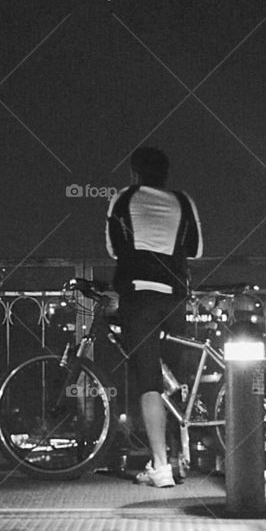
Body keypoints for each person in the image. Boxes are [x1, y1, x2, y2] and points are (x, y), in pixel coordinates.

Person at [106, 147, 203, 488]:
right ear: (165, 174)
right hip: (174, 297)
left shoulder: (124, 198)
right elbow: (195, 248)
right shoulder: (182, 200)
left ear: (135, 174)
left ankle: (160, 466)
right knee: (173, 380)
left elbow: (113, 246)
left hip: (139, 295)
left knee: (149, 381)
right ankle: (178, 458)